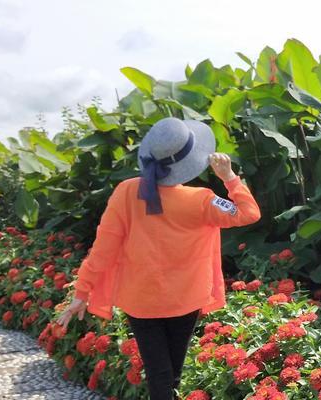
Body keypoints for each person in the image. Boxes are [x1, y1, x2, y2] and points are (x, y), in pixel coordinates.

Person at [55, 117, 261, 400]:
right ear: (189, 159)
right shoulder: (203, 199)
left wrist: (82, 292)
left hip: (140, 300)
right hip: (185, 299)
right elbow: (248, 213)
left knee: (159, 374)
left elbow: (102, 248)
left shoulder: (127, 192)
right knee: (171, 374)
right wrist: (229, 177)